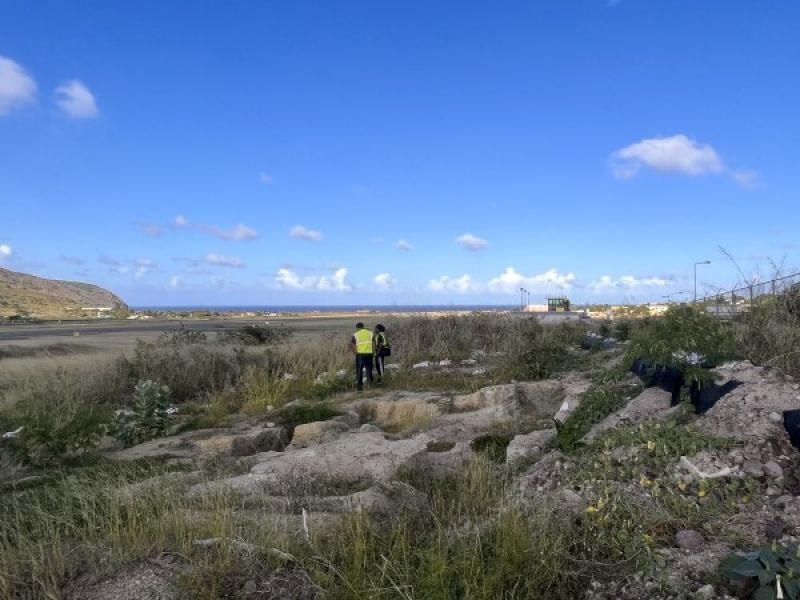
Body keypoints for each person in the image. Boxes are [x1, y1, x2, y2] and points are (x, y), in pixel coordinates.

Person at [349, 322, 374, 390]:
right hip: (369, 354)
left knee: (359, 370)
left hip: (360, 354)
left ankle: (360, 385)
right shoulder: (370, 333)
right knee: (369, 369)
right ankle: (370, 384)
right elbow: (374, 342)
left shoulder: (356, 334)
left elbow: (351, 344)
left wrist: (355, 352)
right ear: (363, 326)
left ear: (358, 327)